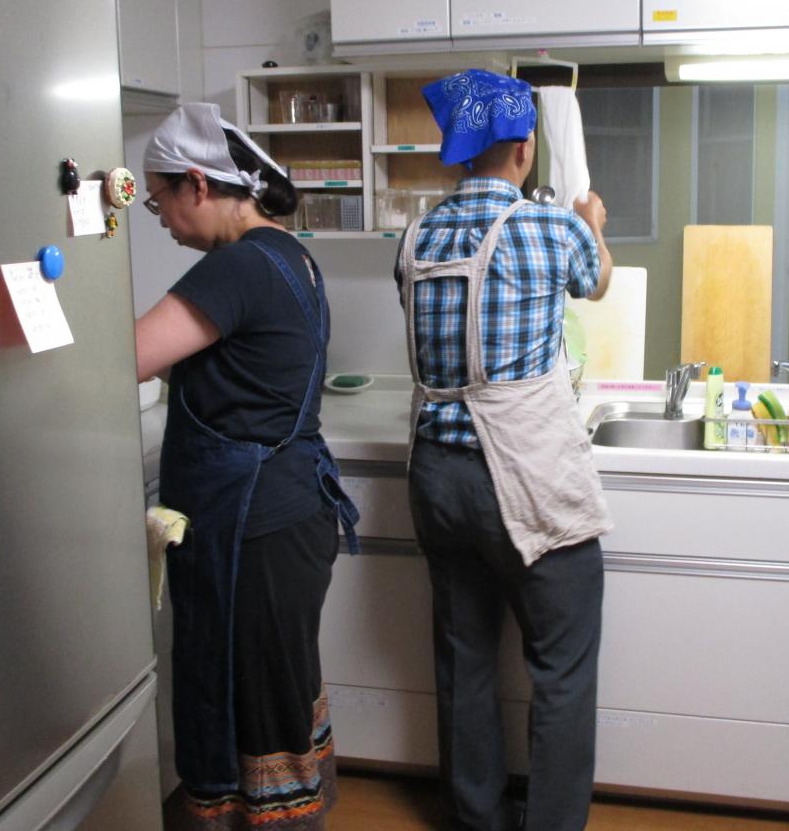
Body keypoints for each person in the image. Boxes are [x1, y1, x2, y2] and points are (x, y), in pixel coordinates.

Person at [394, 69, 614, 831]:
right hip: (522, 473)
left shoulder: (415, 237)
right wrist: (593, 222)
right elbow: (597, 282)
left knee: (465, 660)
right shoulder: (549, 228)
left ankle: (476, 820)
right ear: (524, 149)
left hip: (436, 476)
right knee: (561, 664)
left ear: (461, 152)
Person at [134, 103, 359, 831]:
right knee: (272, 703)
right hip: (285, 517)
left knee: (256, 708)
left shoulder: (237, 267)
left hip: (255, 531)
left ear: (197, 184)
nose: (160, 219)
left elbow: (125, 358)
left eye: (159, 200)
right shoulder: (287, 254)